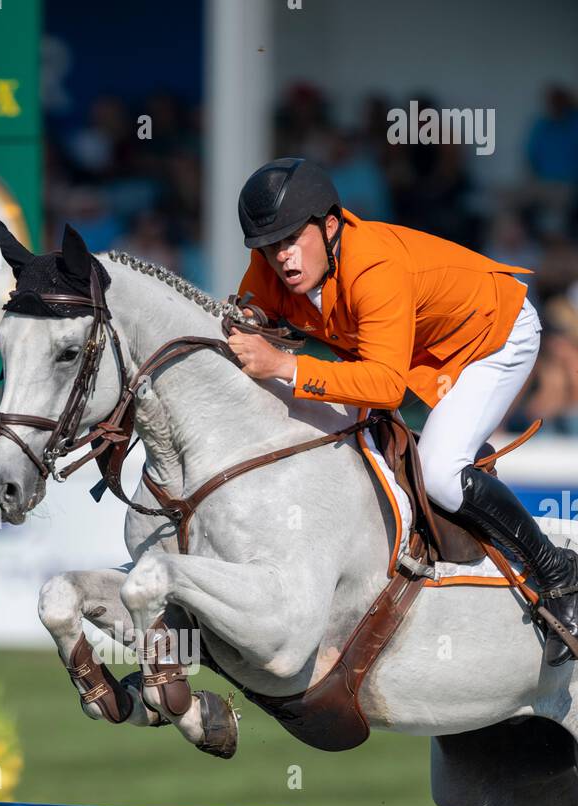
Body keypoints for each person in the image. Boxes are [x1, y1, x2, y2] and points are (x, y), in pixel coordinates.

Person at [227, 157, 578, 665]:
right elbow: (255, 305)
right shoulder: (275, 258)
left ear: (329, 227)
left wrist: (286, 364)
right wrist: (251, 318)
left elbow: (387, 386)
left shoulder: (374, 268)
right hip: (419, 349)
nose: (280, 258)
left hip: (493, 336)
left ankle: (557, 570)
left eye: (289, 241)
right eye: (268, 246)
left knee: (438, 471)